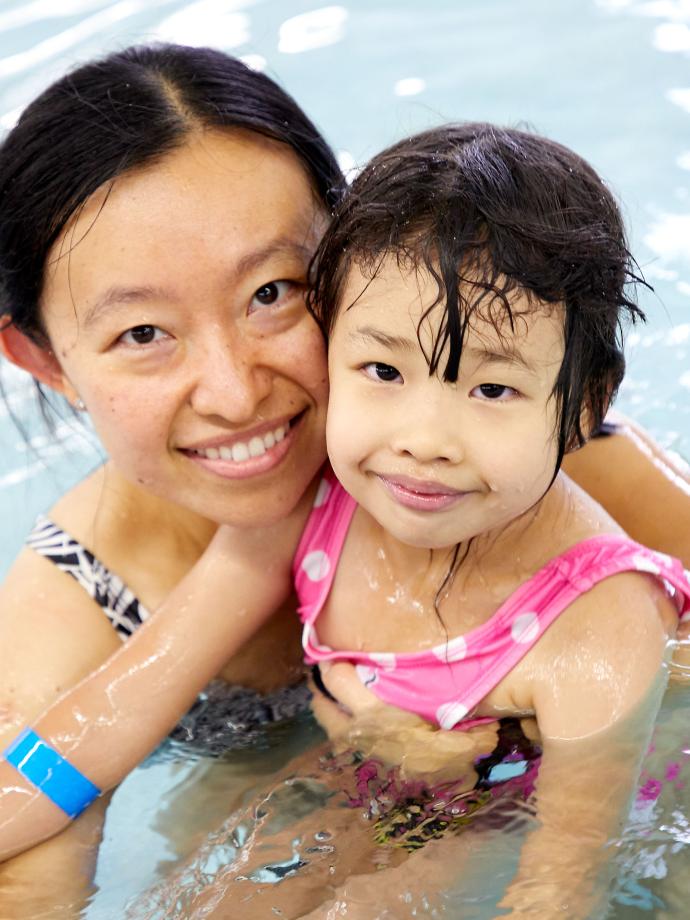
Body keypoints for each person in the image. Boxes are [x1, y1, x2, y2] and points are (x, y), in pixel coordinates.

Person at [0, 43, 688, 885]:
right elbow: (51, 806)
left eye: (274, 291)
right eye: (142, 332)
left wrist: (528, 737)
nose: (234, 393)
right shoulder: (71, 606)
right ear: (46, 363)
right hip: (301, 786)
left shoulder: (526, 464)